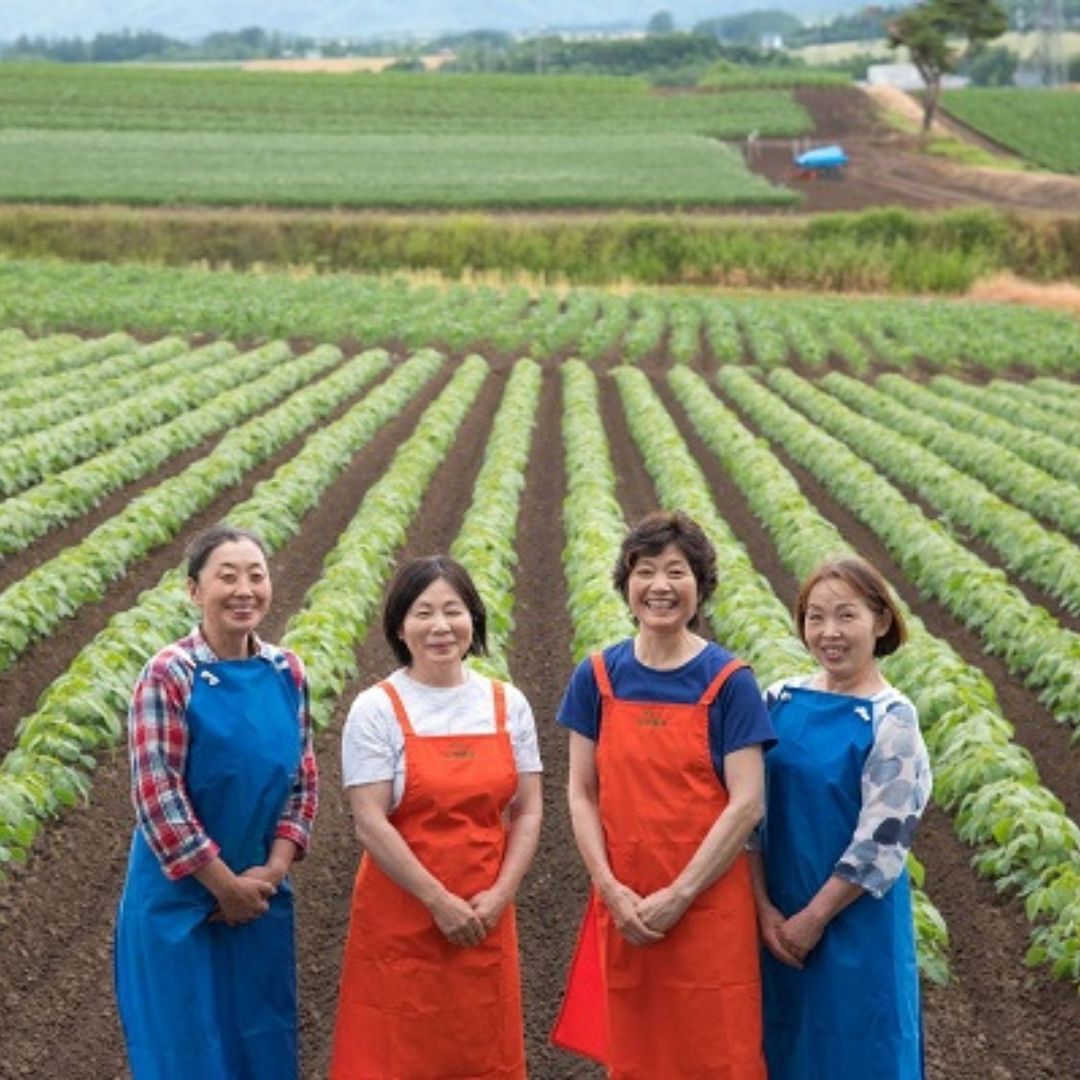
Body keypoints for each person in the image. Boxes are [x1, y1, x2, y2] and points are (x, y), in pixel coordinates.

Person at [552, 510, 774, 1079]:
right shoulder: (598, 676)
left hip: (706, 910)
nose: (660, 587)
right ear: (626, 585)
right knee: (635, 1057)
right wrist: (610, 889)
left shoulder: (729, 682)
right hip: (626, 904)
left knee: (716, 1056)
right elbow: (580, 792)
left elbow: (746, 803)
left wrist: (680, 893)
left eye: (677, 572)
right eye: (645, 571)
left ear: (700, 586)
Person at [114, 524, 317, 1080]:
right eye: (226, 577)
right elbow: (158, 797)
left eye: (256, 575)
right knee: (186, 1053)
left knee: (261, 1046)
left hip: (257, 897)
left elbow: (302, 780)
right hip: (180, 900)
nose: (243, 589)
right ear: (194, 591)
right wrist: (224, 886)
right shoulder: (168, 674)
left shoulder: (287, 671)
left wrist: (271, 873)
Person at [330, 555, 542, 1080]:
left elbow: (530, 810)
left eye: (454, 610)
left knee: (481, 1055)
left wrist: (499, 896)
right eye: (423, 613)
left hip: (485, 912)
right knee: (397, 1055)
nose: (441, 627)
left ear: (474, 618)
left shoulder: (506, 704)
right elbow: (370, 822)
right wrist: (437, 900)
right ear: (400, 626)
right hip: (404, 917)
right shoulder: (377, 708)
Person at [749, 556, 931, 1079]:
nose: (830, 632)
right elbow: (749, 818)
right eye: (816, 617)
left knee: (858, 1053)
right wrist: (764, 909)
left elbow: (882, 839)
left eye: (846, 616)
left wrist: (813, 919)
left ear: (879, 621)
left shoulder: (891, 717)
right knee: (782, 1049)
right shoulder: (779, 699)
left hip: (852, 925)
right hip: (775, 922)